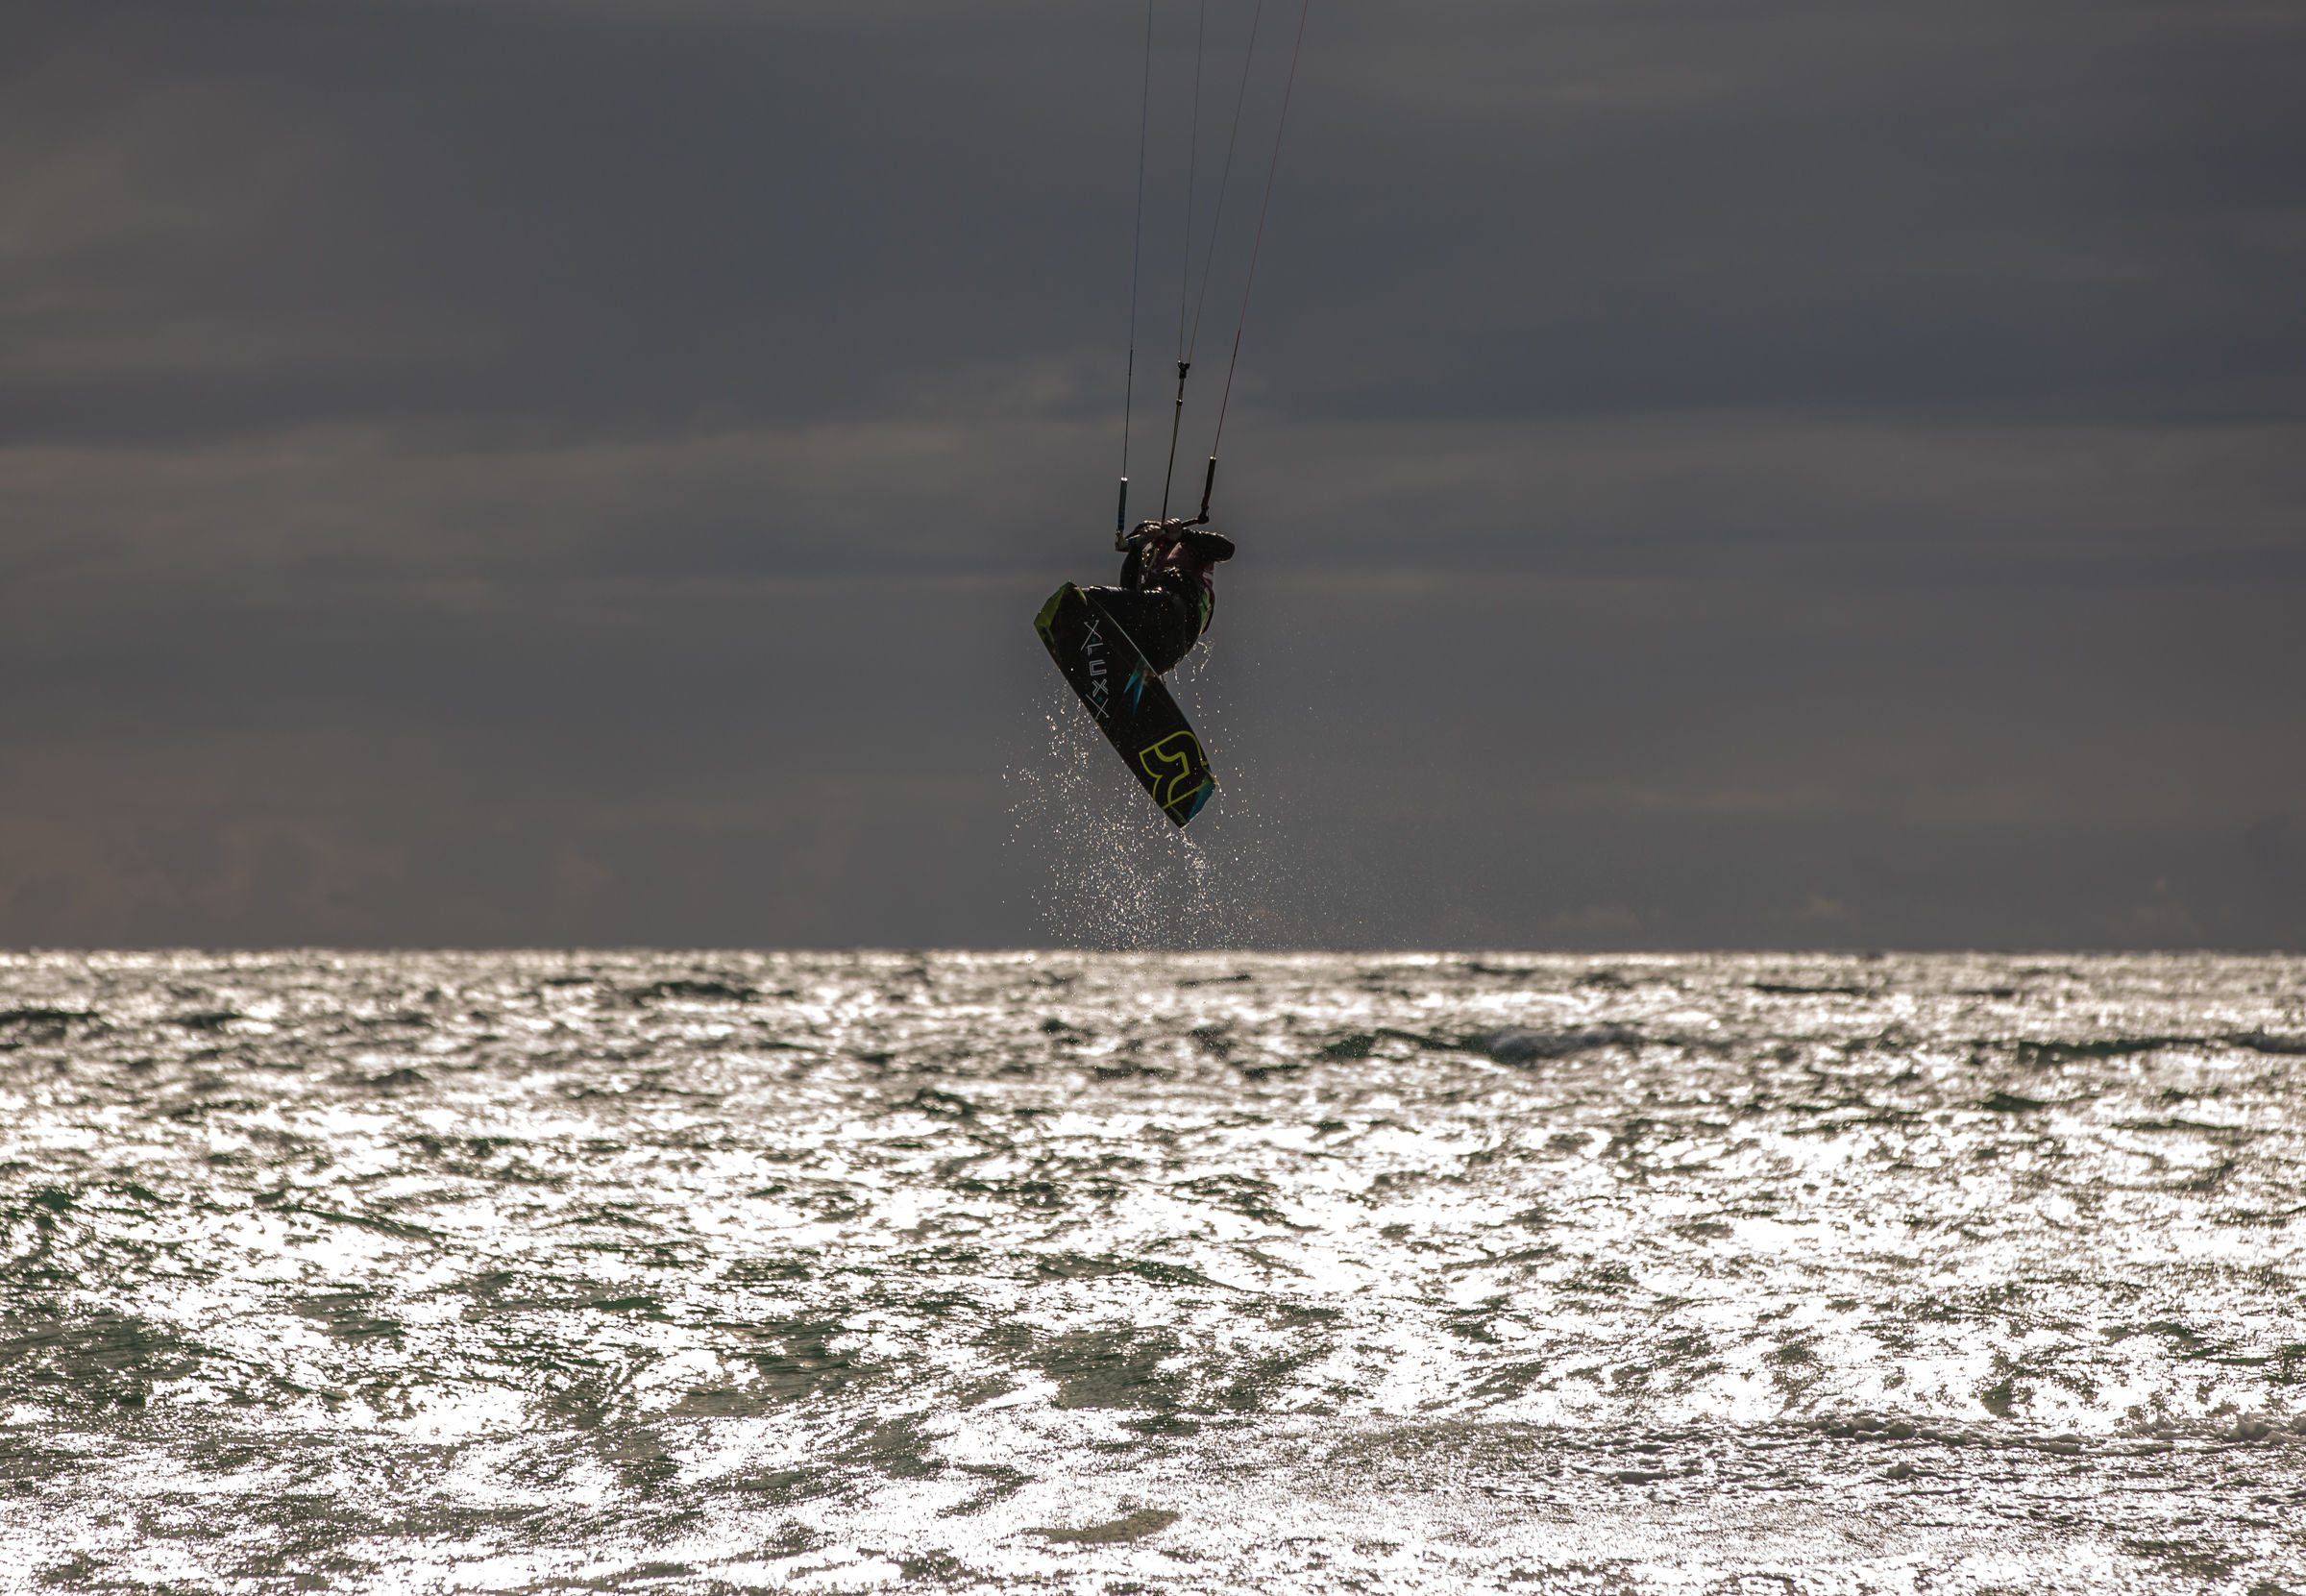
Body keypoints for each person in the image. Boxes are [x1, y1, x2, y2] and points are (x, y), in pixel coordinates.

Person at [1080, 517, 1236, 674]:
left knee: (1092, 597)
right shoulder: (1150, 562)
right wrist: (1137, 547)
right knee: (1118, 633)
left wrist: (1182, 534)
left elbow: (1227, 549)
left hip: (1175, 617)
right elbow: (1128, 593)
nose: (1156, 543)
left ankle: (1069, 613)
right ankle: (1118, 680)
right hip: (1164, 645)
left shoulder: (1191, 546)